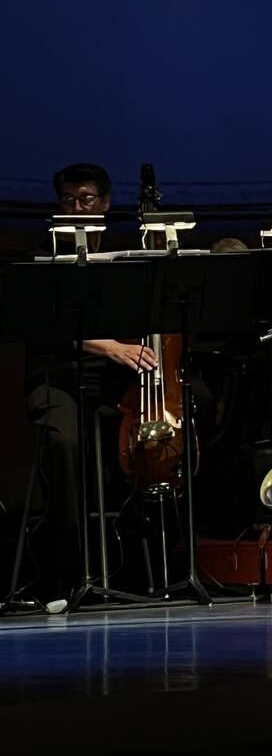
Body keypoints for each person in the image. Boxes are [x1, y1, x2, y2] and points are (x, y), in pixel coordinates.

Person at [23, 163, 158, 606]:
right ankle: (66, 571)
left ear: (104, 203)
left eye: (85, 199)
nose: (75, 208)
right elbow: (48, 326)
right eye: (67, 200)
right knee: (64, 444)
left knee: (155, 430)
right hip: (56, 377)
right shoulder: (45, 254)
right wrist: (112, 347)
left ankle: (141, 564)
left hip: (110, 383)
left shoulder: (122, 252)